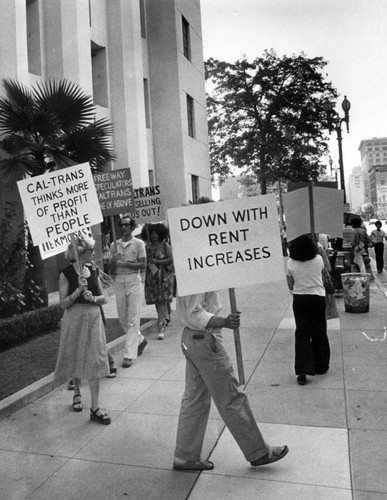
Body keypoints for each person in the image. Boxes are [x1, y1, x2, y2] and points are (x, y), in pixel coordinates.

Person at [173, 197, 288, 471]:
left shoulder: (196, 259)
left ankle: (185, 456)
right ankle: (258, 452)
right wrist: (223, 320)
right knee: (231, 397)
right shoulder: (195, 265)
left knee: (195, 400)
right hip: (203, 340)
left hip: (193, 342)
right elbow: (193, 313)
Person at [54, 234, 111, 425]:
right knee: (75, 355)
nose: (93, 253)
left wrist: (93, 298)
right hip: (74, 318)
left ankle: (95, 407)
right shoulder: (66, 273)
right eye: (90, 251)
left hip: (93, 317)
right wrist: (78, 291)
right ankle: (77, 394)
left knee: (95, 359)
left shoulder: (93, 270)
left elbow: (104, 298)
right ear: (81, 253)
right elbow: (62, 304)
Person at [286, 234, 330, 386]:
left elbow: (290, 285)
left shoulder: (291, 263)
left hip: (300, 299)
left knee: (302, 333)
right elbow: (326, 272)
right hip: (318, 297)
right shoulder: (318, 260)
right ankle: (321, 365)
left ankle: (303, 370)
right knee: (319, 330)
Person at [109, 216, 147, 368]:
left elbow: (143, 264)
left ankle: (129, 355)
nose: (124, 227)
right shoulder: (114, 245)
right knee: (122, 317)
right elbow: (111, 268)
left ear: (132, 227)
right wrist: (113, 261)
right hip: (119, 280)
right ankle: (140, 340)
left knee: (133, 317)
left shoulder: (139, 243)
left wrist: (125, 263)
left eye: (127, 225)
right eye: (121, 225)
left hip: (133, 280)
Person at [142, 223, 174, 339]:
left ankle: (161, 327)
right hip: (152, 277)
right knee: (157, 300)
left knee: (161, 301)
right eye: (152, 233)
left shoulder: (165, 246)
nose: (154, 235)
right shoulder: (147, 247)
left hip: (164, 277)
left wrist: (158, 262)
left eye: (156, 233)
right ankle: (165, 315)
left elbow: (171, 259)